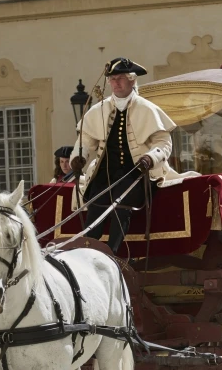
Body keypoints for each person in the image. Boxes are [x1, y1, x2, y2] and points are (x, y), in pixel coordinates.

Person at [70, 57, 198, 253]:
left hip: (136, 174)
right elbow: (85, 141)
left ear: (132, 80)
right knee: (95, 206)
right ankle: (87, 252)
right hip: (104, 174)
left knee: (122, 205)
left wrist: (150, 158)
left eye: (120, 78)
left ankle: (112, 253)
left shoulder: (147, 109)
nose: (115, 83)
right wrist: (79, 158)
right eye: (112, 79)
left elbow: (163, 143)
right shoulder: (100, 110)